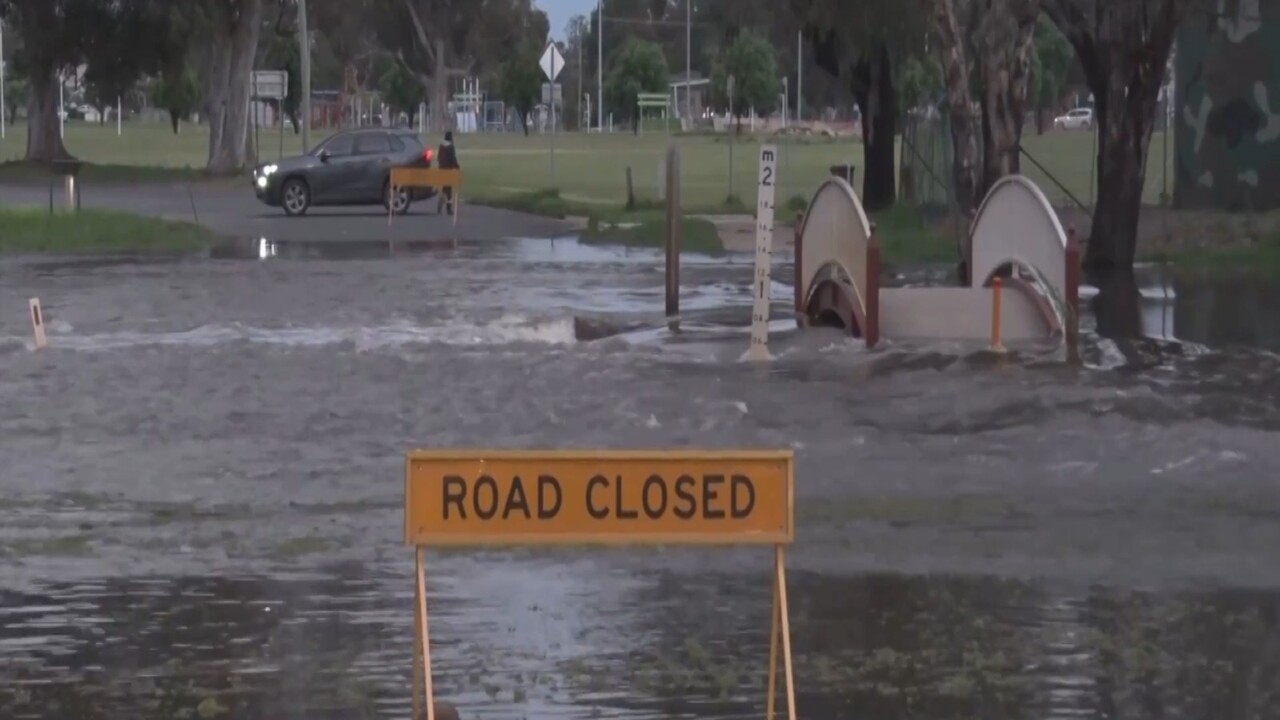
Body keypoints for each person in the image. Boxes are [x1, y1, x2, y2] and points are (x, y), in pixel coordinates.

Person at [436, 131, 461, 215]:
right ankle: (448, 209)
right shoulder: (450, 147)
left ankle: (441, 203)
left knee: (445, 189)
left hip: (441, 170)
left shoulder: (441, 146)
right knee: (448, 191)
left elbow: (438, 158)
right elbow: (453, 159)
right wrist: (457, 167)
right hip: (448, 171)